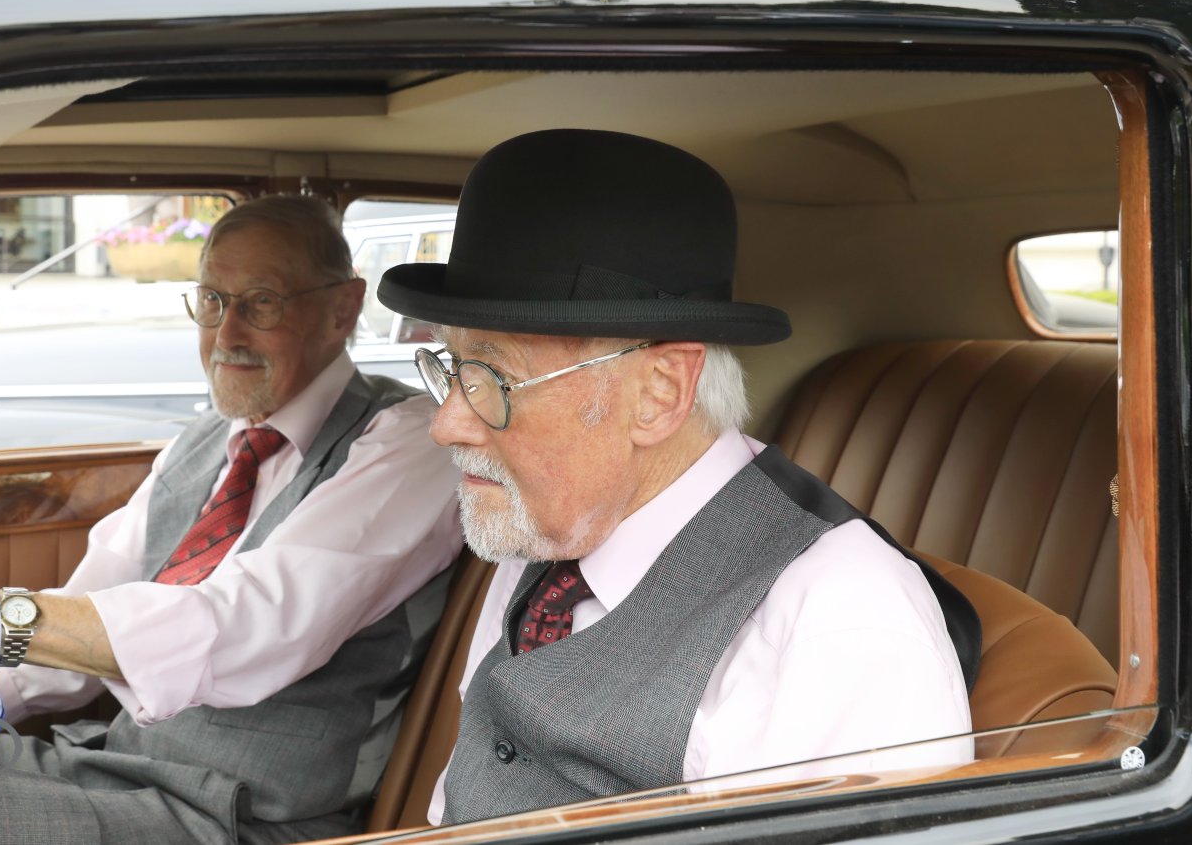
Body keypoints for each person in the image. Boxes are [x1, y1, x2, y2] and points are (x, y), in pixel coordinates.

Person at [0, 194, 463, 845]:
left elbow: (240, 628)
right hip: (122, 770)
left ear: (342, 309)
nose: (226, 332)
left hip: (243, 816)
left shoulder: (407, 441)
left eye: (262, 303)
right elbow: (87, 609)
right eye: (212, 300)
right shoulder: (208, 442)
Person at [374, 129, 981, 825]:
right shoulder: (543, 523)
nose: (447, 423)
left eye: (491, 376)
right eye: (453, 368)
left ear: (659, 392)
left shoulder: (843, 621)